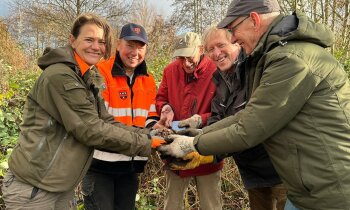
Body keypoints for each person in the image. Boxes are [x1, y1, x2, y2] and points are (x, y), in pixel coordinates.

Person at [158, 0, 350, 209]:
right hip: (303, 183)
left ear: (254, 20)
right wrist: (198, 136)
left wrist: (193, 145)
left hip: (327, 187)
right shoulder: (266, 58)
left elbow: (250, 127)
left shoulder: (289, 59)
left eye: (232, 30)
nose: (233, 37)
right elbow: (245, 115)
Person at [1, 13, 164, 210]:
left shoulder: (87, 76)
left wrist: (149, 134)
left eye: (101, 42)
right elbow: (90, 129)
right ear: (72, 40)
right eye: (89, 39)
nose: (96, 47)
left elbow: (105, 120)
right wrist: (148, 142)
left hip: (60, 187)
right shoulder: (61, 76)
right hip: (34, 187)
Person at [203, 25, 287, 210]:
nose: (216, 53)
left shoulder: (255, 69)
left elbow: (252, 124)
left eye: (221, 45)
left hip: (280, 170)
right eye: (210, 49)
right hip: (252, 172)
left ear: (235, 43)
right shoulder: (219, 80)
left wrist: (203, 146)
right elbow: (216, 118)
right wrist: (199, 145)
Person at [82, 23, 158, 210]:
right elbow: (100, 121)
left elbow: (151, 116)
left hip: (131, 168)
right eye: (130, 46)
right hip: (100, 167)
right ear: (118, 45)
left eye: (140, 47)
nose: (135, 52)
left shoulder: (148, 79)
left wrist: (158, 127)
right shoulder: (101, 72)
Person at [155, 31, 223, 210]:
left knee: (211, 205)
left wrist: (200, 119)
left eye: (189, 56)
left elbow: (224, 112)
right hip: (175, 151)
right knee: (172, 204)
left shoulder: (216, 70)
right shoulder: (170, 70)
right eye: (181, 57)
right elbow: (160, 97)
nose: (186, 63)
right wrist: (165, 108)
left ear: (201, 50)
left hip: (206, 150)